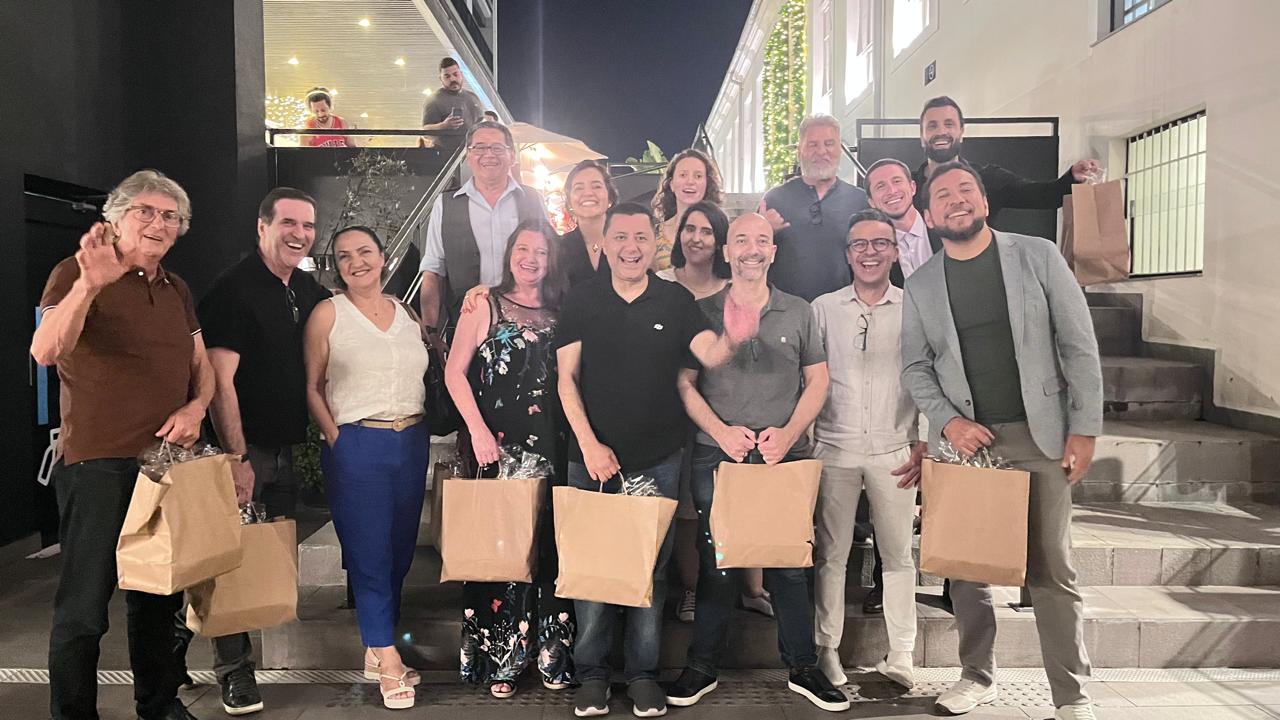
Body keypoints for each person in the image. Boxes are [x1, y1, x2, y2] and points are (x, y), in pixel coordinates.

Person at [900, 161, 1102, 720]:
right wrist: (949, 423)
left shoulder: (1037, 255)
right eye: (942, 195)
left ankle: (1072, 695)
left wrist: (1085, 427)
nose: (956, 200)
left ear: (985, 202)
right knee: (967, 570)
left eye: (965, 190)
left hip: (1041, 435)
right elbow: (915, 367)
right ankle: (976, 676)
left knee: (1051, 569)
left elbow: (1079, 344)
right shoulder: (921, 284)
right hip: (966, 445)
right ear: (929, 215)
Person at [555, 202, 758, 718]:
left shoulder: (674, 299)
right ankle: (592, 675)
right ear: (606, 244)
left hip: (658, 459)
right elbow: (566, 379)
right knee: (592, 569)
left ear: (654, 245)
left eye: (641, 238)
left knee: (652, 568)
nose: (631, 247)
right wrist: (589, 444)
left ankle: (643, 674)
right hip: (592, 458)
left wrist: (735, 333)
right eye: (621, 237)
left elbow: (711, 354)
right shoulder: (583, 299)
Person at [32, 169, 213, 720]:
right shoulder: (75, 272)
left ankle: (159, 705)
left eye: (170, 216)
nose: (159, 223)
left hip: (164, 467)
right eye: (145, 211)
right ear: (114, 218)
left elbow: (201, 366)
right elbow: (45, 350)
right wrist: (90, 285)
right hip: (98, 464)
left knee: (158, 599)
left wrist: (196, 407)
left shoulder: (176, 288)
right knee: (84, 609)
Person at [665, 213, 847, 713]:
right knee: (717, 563)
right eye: (741, 239)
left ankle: (803, 667)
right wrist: (720, 431)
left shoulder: (798, 310)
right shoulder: (701, 311)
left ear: (773, 252)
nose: (751, 248)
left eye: (761, 240)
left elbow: (818, 380)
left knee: (789, 567)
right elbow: (684, 383)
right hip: (716, 455)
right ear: (726, 251)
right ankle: (702, 666)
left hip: (782, 458)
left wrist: (789, 434)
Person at [178, 188, 330, 715]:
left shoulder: (302, 287)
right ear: (262, 227)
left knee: (256, 557)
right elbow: (220, 382)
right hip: (245, 451)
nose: (299, 234)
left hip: (283, 446)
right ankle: (234, 673)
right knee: (232, 563)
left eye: (308, 225)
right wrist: (236, 458)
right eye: (288, 223)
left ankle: (174, 639)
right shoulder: (234, 290)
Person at [444, 220, 576, 698]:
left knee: (552, 549)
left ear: (552, 259)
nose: (531, 258)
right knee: (502, 548)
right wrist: (478, 431)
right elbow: (454, 373)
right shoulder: (485, 304)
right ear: (509, 254)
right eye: (523, 248)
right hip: (498, 448)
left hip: (557, 446)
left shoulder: (565, 309)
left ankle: (553, 654)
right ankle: (502, 658)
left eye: (541, 251)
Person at [304, 226, 431, 711]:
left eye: (365, 252)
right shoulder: (329, 313)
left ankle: (379, 648)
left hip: (411, 439)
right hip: (358, 442)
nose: (356, 262)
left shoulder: (406, 313)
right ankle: (388, 659)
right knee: (369, 553)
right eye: (344, 256)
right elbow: (313, 386)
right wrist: (336, 438)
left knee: (399, 551)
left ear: (383, 257)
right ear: (336, 266)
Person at [810, 209, 928, 691]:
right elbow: (810, 378)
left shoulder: (914, 306)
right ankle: (826, 649)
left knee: (898, 555)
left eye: (880, 243)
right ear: (847, 254)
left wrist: (924, 439)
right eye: (859, 244)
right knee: (831, 554)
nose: (870, 252)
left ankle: (901, 654)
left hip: (896, 448)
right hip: (833, 447)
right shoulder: (823, 308)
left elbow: (929, 373)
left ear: (896, 252)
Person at [654, 202, 774, 626]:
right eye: (690, 229)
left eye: (707, 230)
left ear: (720, 243)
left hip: (729, 411)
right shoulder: (663, 285)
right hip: (678, 405)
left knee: (745, 505)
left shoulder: (734, 286)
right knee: (691, 508)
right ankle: (692, 590)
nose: (697, 238)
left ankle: (753, 587)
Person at [417, 120, 547, 342]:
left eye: (497, 148)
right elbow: (433, 270)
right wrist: (431, 331)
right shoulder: (446, 204)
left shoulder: (532, 200)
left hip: (526, 326)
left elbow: (549, 259)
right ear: (468, 156)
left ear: (511, 156)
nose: (489, 154)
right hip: (466, 327)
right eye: (479, 147)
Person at [912, 95, 1101, 224]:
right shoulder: (906, 189)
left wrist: (1072, 178)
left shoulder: (988, 178)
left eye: (949, 124)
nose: (941, 131)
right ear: (921, 136)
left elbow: (1043, 196)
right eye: (932, 126)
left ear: (961, 132)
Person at [760, 113, 870, 301]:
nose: (821, 151)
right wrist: (762, 231)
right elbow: (750, 257)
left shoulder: (861, 201)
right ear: (799, 151)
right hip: (786, 311)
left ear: (840, 149)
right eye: (812, 144)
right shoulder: (774, 200)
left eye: (829, 143)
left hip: (844, 310)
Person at [865, 158, 938, 285]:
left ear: (913, 187)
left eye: (897, 181)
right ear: (871, 202)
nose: (892, 191)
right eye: (880, 186)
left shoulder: (945, 228)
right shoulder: (870, 252)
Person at [650, 148, 724, 272]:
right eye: (683, 175)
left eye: (698, 176)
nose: (690, 182)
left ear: (707, 184)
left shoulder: (721, 233)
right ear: (671, 184)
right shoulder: (652, 234)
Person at [559, 159, 617, 288]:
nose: (588, 193)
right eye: (578, 188)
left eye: (596, 186)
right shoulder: (558, 248)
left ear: (610, 198)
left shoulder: (628, 242)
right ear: (569, 201)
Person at [421, 57, 485, 154]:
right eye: (447, 76)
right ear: (441, 79)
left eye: (455, 74)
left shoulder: (473, 97)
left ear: (461, 75)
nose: (452, 79)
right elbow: (425, 131)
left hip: (473, 152)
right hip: (446, 155)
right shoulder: (434, 100)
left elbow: (481, 123)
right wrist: (443, 126)